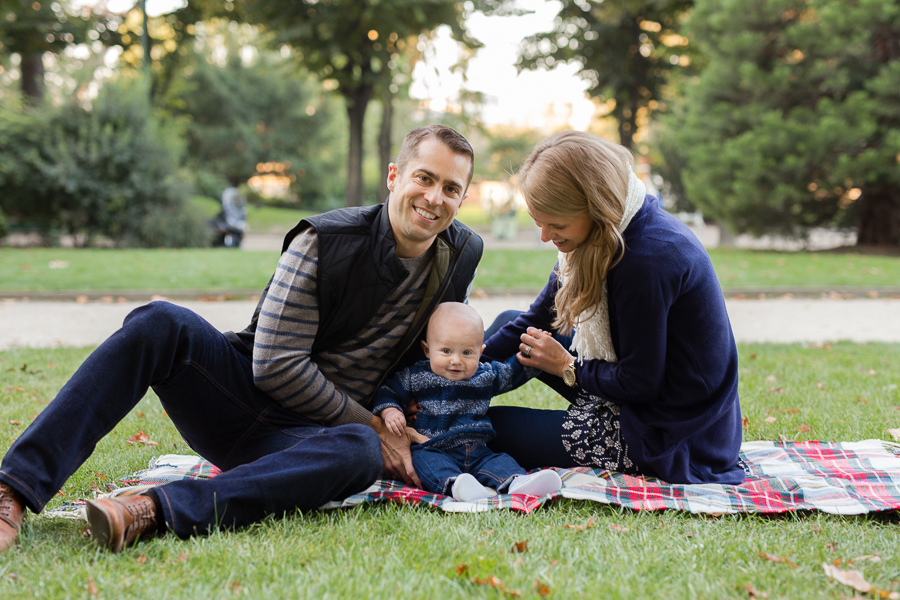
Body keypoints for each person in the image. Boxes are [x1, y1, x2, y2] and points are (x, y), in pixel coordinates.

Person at [0, 125, 483, 553]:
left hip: (312, 439)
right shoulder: (324, 240)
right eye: (425, 178)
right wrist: (375, 425)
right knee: (159, 322)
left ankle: (149, 510)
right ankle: (13, 490)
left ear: (463, 198)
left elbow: (434, 345)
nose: (434, 198)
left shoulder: (462, 252)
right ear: (395, 175)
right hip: (238, 398)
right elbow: (275, 365)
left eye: (450, 188)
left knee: (357, 451)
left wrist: (399, 415)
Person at [482, 131, 745, 486]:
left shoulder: (646, 258)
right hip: (638, 396)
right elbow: (536, 319)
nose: (545, 236)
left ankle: (453, 415)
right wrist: (450, 375)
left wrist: (566, 367)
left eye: (556, 225)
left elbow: (640, 383)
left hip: (671, 433)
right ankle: (445, 404)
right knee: (512, 325)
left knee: (494, 428)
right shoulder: (604, 231)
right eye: (537, 221)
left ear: (595, 207)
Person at [372, 302, 562, 501]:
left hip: (477, 448)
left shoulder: (483, 375)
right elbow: (389, 390)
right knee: (424, 461)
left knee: (499, 460)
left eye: (467, 353)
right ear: (427, 350)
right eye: (446, 351)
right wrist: (390, 410)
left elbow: (510, 373)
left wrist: (532, 353)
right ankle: (455, 485)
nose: (456, 360)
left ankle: (517, 482)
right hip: (433, 445)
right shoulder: (417, 375)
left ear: (480, 352)